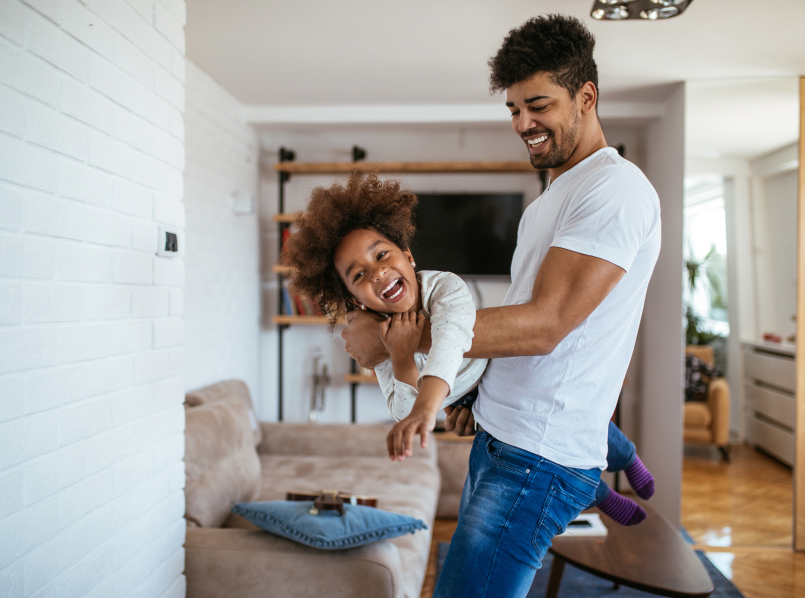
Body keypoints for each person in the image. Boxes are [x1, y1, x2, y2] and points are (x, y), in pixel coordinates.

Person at [340, 14, 662, 597]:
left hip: (538, 454)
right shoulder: (550, 200)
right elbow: (521, 330)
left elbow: (546, 324)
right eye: (513, 109)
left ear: (586, 97)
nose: (523, 123)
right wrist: (476, 395)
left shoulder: (614, 189)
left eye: (537, 105)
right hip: (504, 435)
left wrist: (402, 338)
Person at [280, 173, 489, 453]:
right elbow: (402, 412)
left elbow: (451, 337)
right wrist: (401, 357)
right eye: (359, 274)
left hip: (495, 381)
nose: (378, 273)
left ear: (408, 255)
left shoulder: (445, 287)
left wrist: (427, 407)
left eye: (381, 255)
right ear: (355, 301)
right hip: (467, 408)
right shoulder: (382, 333)